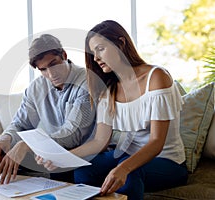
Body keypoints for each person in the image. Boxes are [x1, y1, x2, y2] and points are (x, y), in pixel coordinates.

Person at [35, 20, 188, 200]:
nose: (96, 58)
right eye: (93, 53)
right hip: (125, 156)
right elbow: (100, 141)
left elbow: (156, 142)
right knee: (84, 171)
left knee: (130, 173)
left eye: (100, 49)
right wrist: (61, 156)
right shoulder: (108, 89)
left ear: (121, 43)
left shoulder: (156, 77)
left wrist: (123, 168)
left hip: (167, 162)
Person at [0, 34, 96, 184]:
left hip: (79, 150)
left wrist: (28, 145)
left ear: (64, 55)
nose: (51, 74)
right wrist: (7, 137)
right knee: (0, 152)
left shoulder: (86, 82)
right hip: (50, 147)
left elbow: (72, 135)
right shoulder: (36, 88)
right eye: (43, 69)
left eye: (53, 64)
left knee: (54, 158)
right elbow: (21, 123)